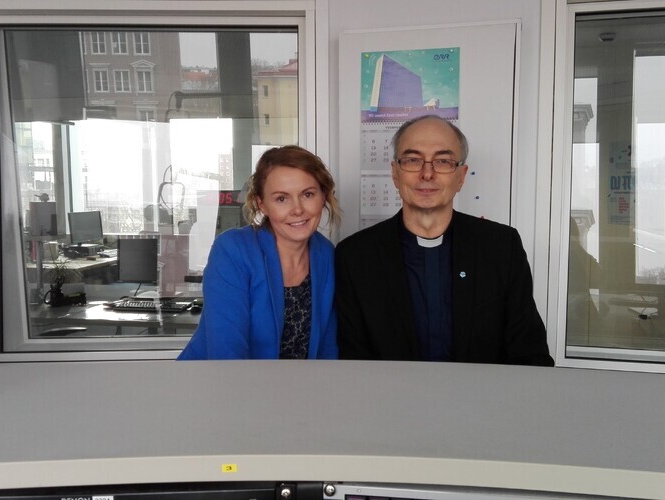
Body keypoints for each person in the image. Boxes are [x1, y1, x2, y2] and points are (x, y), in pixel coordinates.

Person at [335, 115, 554, 365]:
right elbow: (353, 362)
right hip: (390, 391)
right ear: (395, 173)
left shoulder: (502, 247)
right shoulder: (356, 256)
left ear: (461, 176)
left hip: (483, 391)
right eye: (413, 160)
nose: (427, 174)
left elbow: (529, 353)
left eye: (443, 161)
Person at [178, 145, 341, 360]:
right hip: (219, 378)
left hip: (297, 381)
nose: (298, 209)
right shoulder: (233, 250)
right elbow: (227, 354)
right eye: (281, 198)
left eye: (308, 194)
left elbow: (327, 348)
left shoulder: (326, 254)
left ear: (323, 197)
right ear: (262, 204)